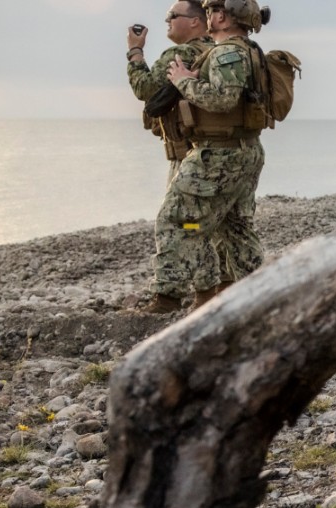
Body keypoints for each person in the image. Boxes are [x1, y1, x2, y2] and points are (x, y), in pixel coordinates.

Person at [145, 0, 273, 314]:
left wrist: (183, 81)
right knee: (234, 228)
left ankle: (167, 299)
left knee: (176, 219)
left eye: (212, 10)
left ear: (222, 16)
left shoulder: (228, 52)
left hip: (218, 154)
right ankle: (256, 296)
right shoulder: (248, 49)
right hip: (242, 151)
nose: (208, 16)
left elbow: (224, 100)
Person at [127, 1, 218, 314]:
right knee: (197, 225)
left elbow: (145, 89)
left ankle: (167, 297)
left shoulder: (178, 55)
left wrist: (135, 52)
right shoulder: (217, 51)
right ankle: (208, 290)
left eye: (172, 16)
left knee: (173, 221)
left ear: (195, 22)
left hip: (186, 155)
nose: (167, 21)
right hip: (215, 151)